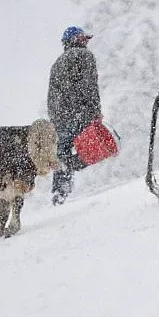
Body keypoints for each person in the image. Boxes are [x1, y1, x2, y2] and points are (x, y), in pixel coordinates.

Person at [46, 26, 103, 205]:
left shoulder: (57, 64)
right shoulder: (85, 56)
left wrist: (55, 119)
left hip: (59, 118)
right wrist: (95, 111)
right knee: (92, 150)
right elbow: (89, 86)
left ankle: (59, 194)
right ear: (74, 40)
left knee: (62, 153)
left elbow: (51, 95)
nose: (86, 42)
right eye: (82, 39)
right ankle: (78, 189)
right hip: (80, 113)